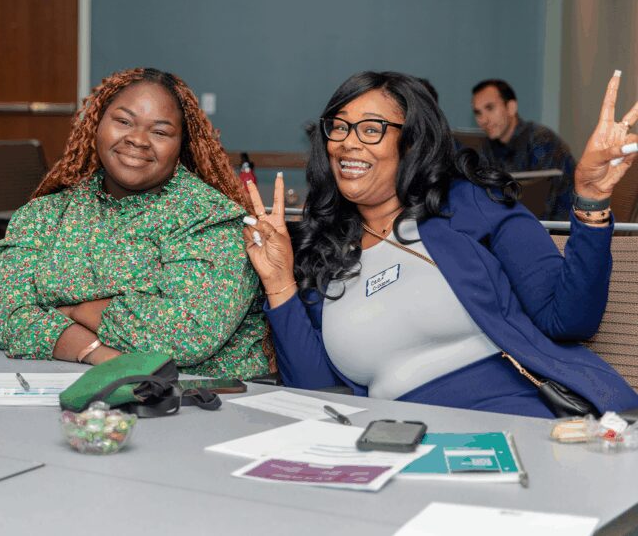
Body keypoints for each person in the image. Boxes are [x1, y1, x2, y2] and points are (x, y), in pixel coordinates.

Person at [244, 70, 638, 417]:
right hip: (394, 446)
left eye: (371, 129)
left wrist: (589, 199)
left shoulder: (470, 205)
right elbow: (318, 398)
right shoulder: (323, 256)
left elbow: (569, 319)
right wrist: (280, 283)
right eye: (340, 126)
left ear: (412, 143)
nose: (347, 142)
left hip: (517, 419)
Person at [0, 67, 268, 378]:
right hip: (57, 389)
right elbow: (3, 318)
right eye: (123, 121)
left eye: (160, 132)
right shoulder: (44, 215)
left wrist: (72, 310)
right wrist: (97, 353)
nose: (138, 140)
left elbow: (187, 336)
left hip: (202, 397)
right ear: (96, 125)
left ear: (181, 145)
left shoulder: (209, 217)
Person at [472, 78, 576, 219]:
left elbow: (544, 205)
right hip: (519, 226)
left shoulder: (541, 140)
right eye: (478, 113)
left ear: (511, 108)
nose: (483, 120)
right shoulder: (486, 147)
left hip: (560, 231)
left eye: (490, 108)